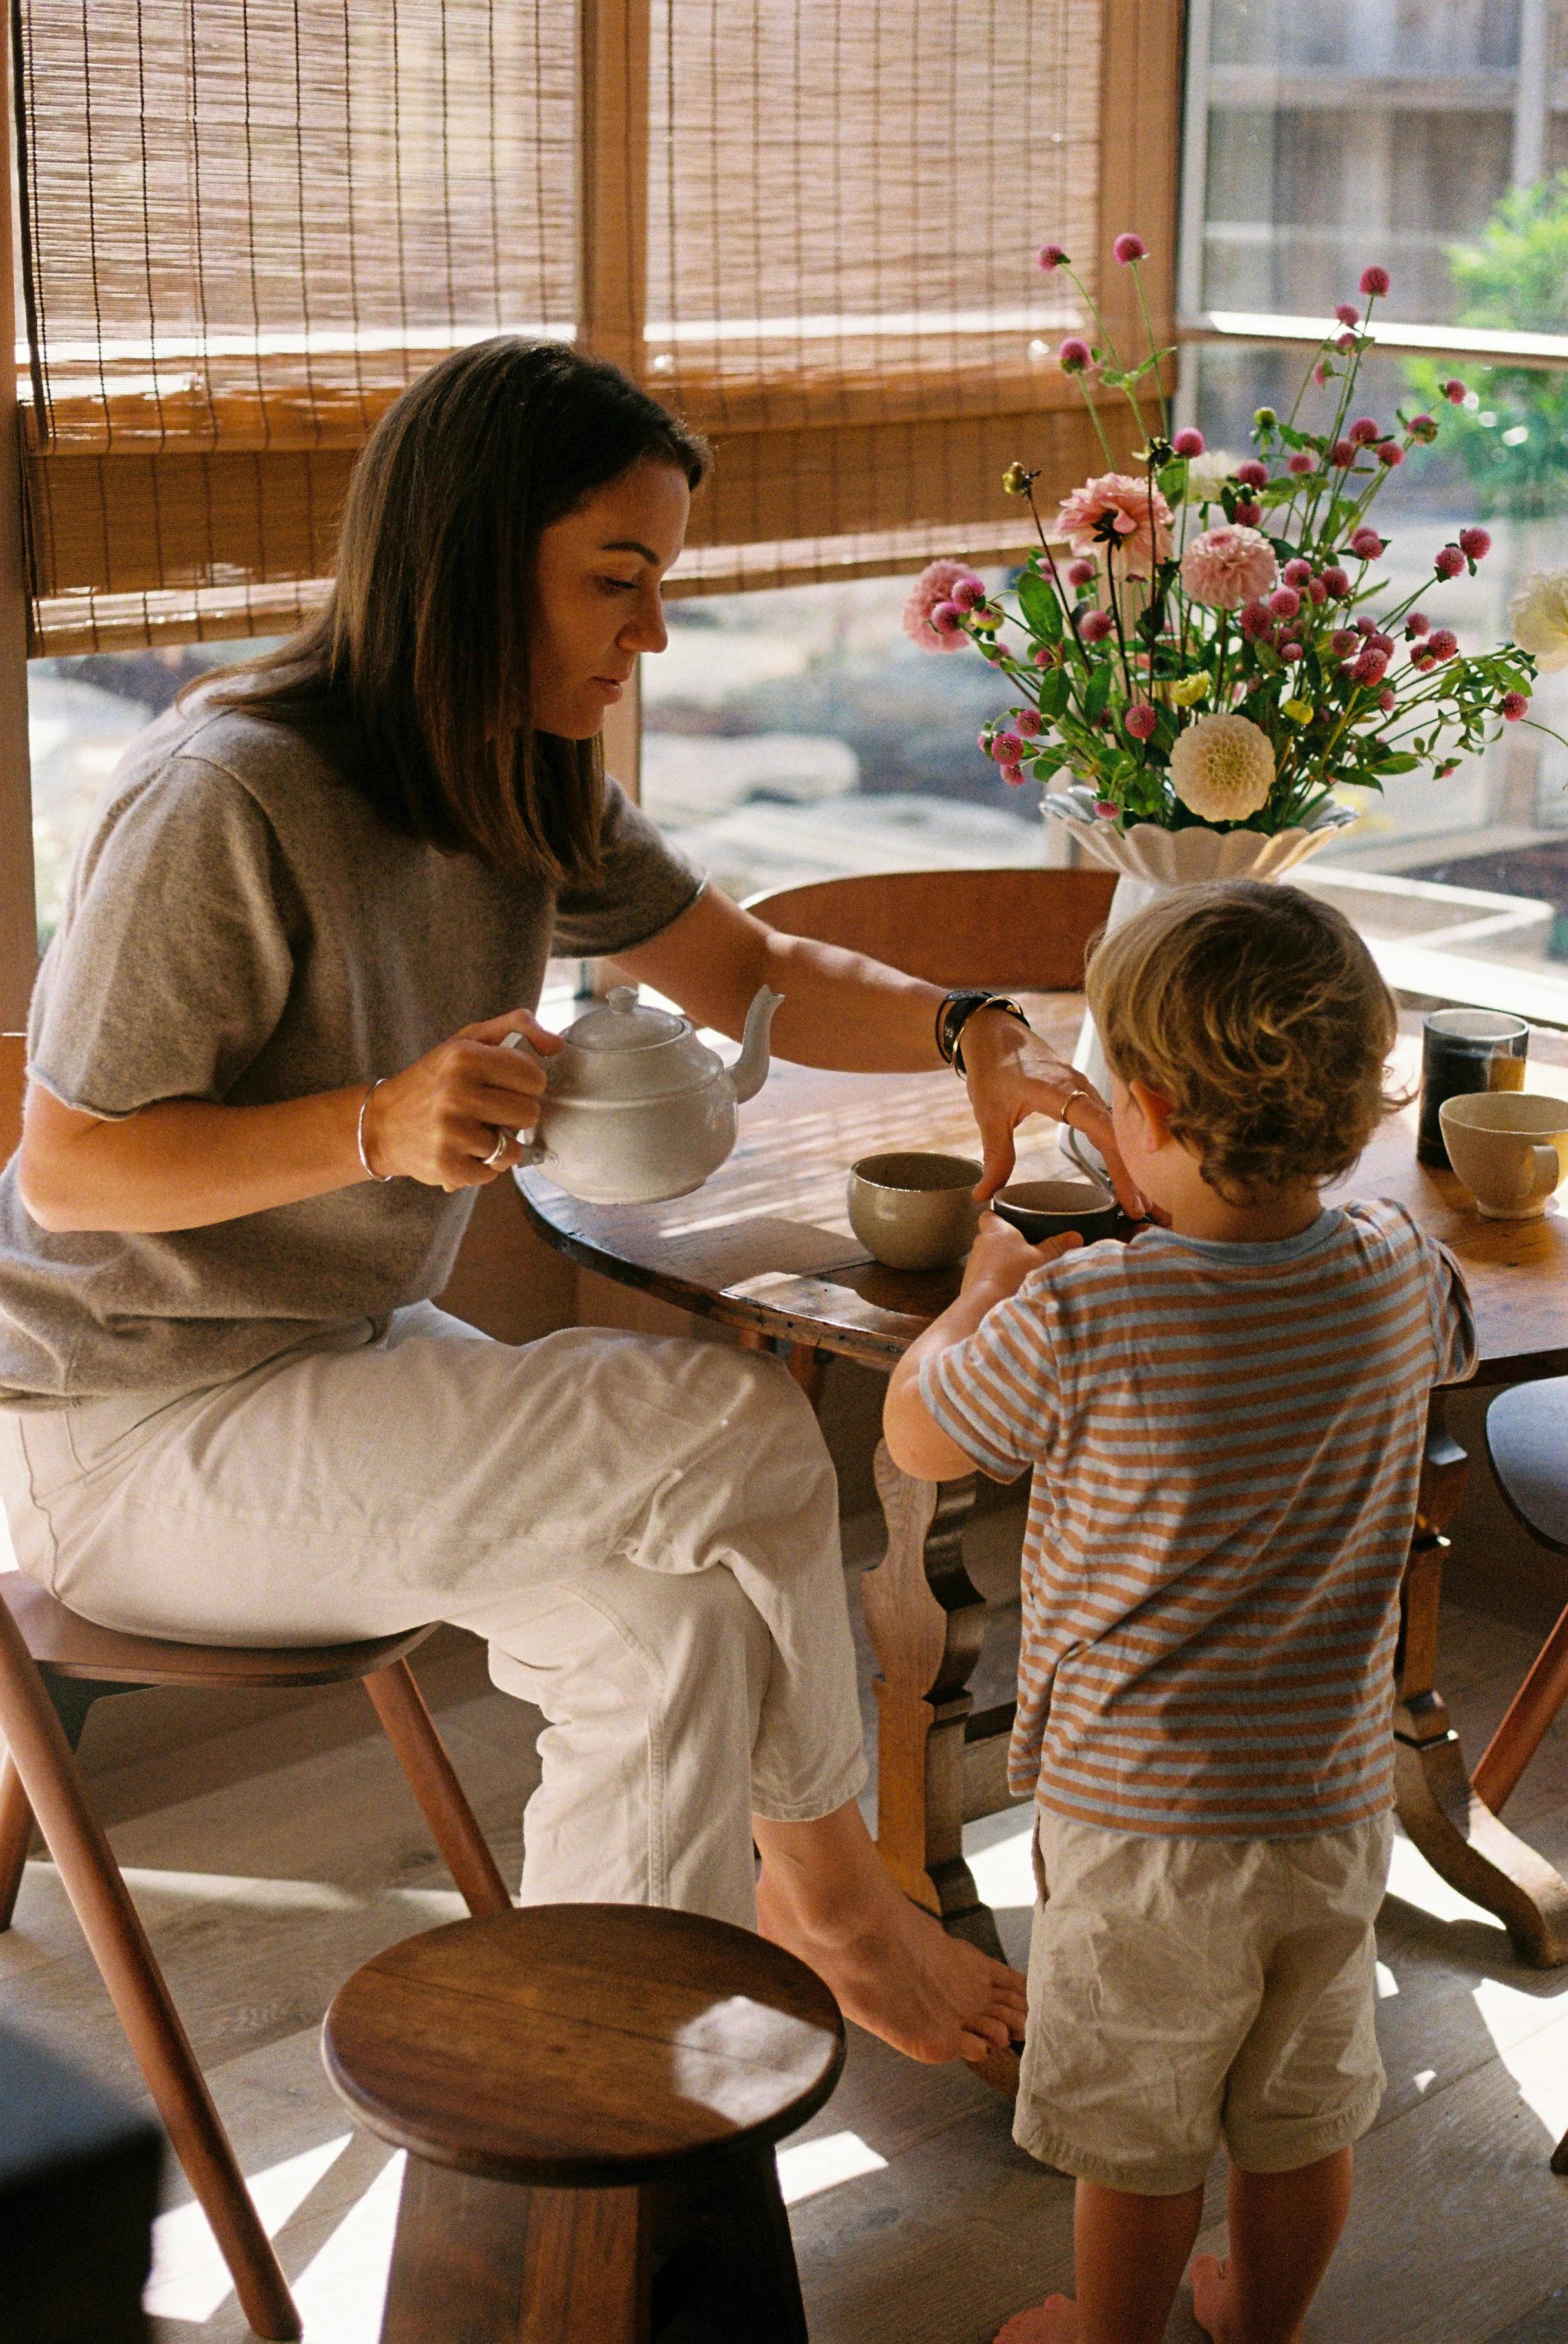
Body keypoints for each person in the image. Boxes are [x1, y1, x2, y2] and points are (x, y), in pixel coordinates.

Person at [0, 338, 1136, 2067]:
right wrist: (377, 1122)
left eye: (662, 581)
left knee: (669, 1633)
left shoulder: (515, 770)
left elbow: (746, 969)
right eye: (621, 578)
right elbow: (75, 1164)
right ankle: (832, 1900)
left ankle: (597, 2100)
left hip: (342, 1351)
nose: (653, 631)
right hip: (125, 1417)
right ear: (469, 563)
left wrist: (970, 1030)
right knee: (737, 1428)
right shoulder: (226, 798)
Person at [884, 880, 1475, 2334]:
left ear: (1138, 1110)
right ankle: (1254, 2325)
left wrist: (982, 1286)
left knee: (1133, 2133)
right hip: (1330, 1801)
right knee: (1298, 2114)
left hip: (1141, 1820)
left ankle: (1108, 2333)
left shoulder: (1088, 1317)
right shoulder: (1402, 1269)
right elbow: (1436, 1353)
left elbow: (918, 1432)